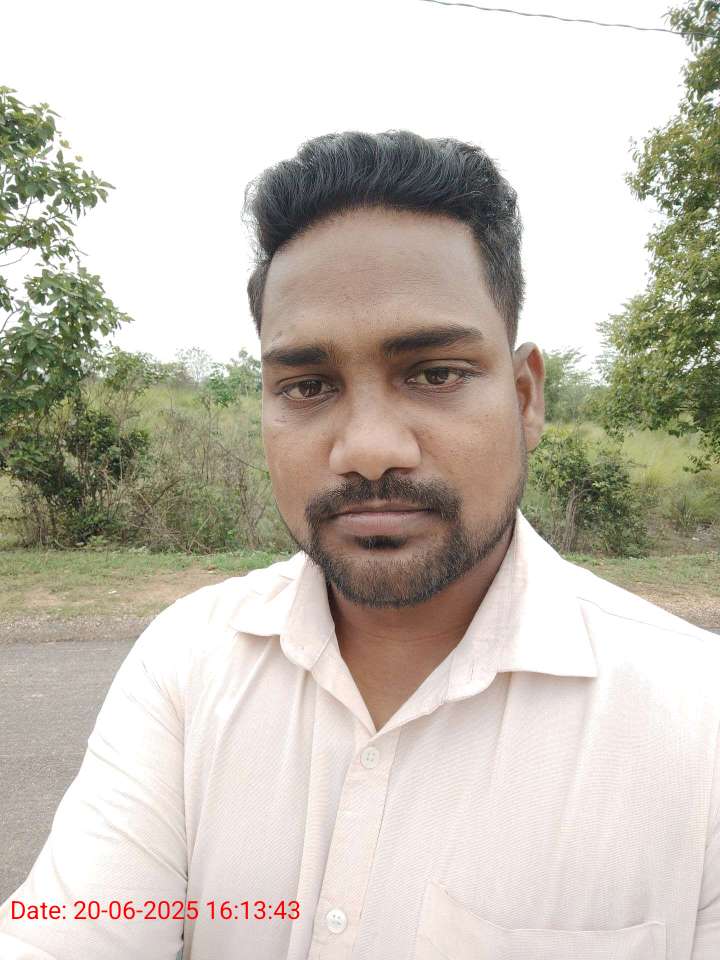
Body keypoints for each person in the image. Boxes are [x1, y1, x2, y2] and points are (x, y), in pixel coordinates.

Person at [0, 130, 718, 960]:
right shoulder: (189, 665)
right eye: (308, 386)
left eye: (435, 373)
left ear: (525, 398)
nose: (370, 449)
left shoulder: (699, 723)